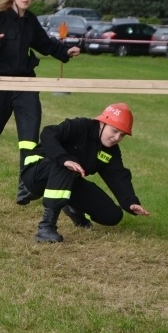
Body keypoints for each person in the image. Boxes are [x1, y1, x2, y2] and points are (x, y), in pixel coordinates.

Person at [0, 0, 81, 200]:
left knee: (29, 136)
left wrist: (64, 52)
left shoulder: (30, 21)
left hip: (26, 83)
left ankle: (25, 184)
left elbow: (45, 44)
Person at [20, 103, 150, 243]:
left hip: (67, 180)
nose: (117, 138)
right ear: (102, 123)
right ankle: (46, 227)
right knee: (70, 163)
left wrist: (130, 202)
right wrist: (64, 159)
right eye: (114, 131)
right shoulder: (81, 126)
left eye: (122, 135)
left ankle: (72, 207)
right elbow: (48, 133)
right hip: (36, 172)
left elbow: (118, 176)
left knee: (112, 215)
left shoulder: (111, 151)